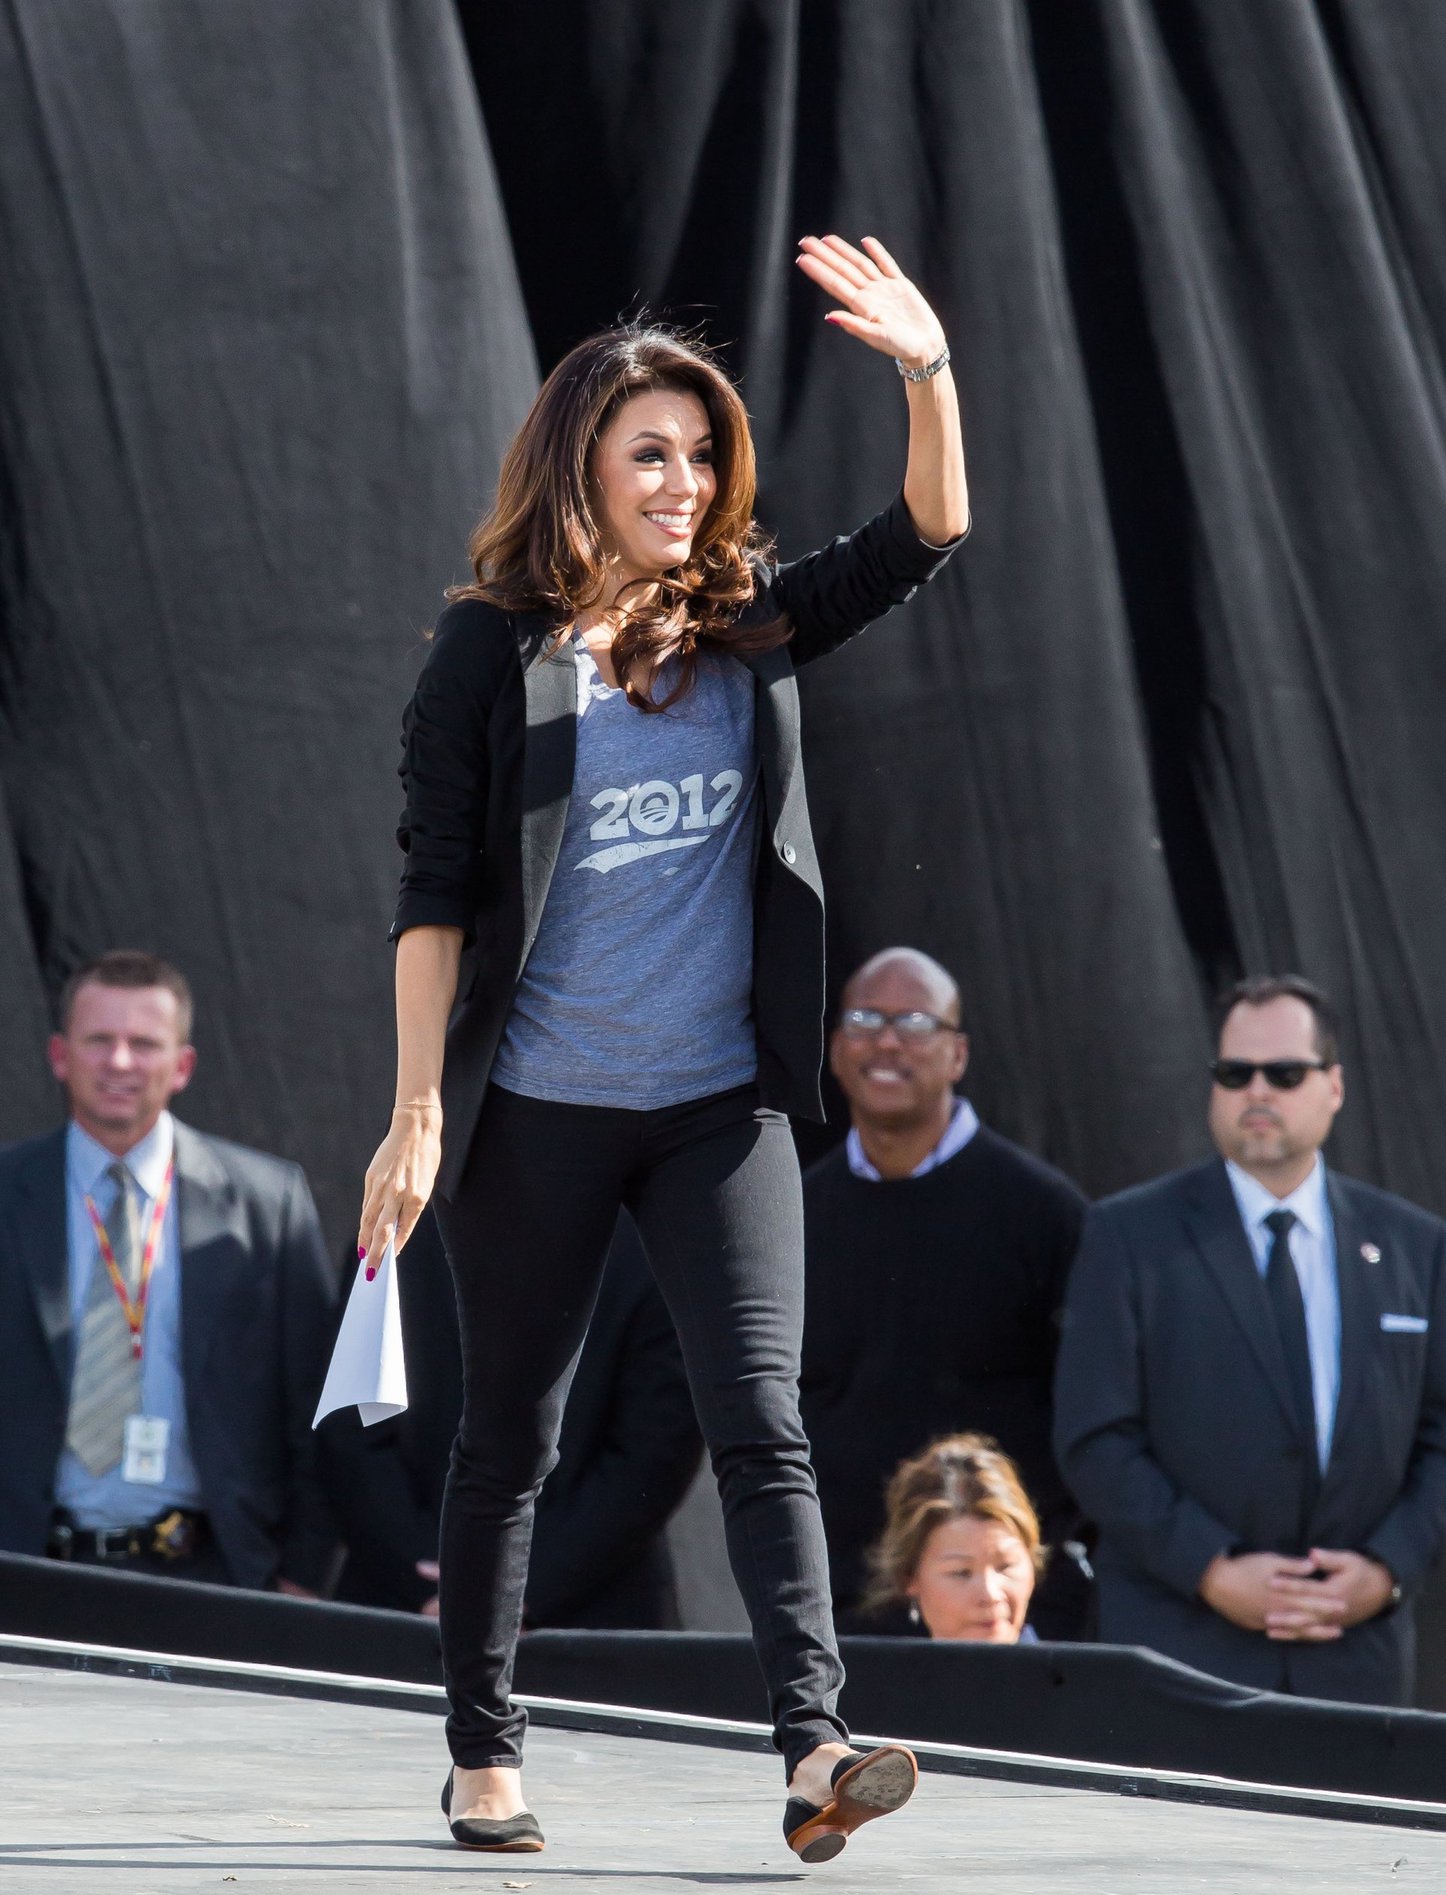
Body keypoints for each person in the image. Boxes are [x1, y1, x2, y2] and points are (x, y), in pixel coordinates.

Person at [358, 232, 969, 1860]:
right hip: (543, 1107)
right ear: (580, 466)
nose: (686, 480)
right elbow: (431, 894)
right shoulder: (491, 653)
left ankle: (812, 1751)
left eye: (703, 455)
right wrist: (418, 1113)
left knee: (758, 1419)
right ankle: (485, 1753)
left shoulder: (750, 627)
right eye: (652, 454)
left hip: (715, 1104)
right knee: (510, 1442)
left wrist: (928, 372)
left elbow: (927, 532)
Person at [1054, 975, 1446, 1704]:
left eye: (1284, 1073)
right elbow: (1094, 1436)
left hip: (1355, 1665)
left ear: (1333, 1085)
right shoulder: (1128, 1235)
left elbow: (1441, 1433)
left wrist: (1388, 1568)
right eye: (1235, 1073)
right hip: (1180, 1654)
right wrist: (1210, 1568)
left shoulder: (1415, 1247)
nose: (1256, 1091)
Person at [0, 951, 337, 1592]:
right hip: (26, 1575)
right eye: (99, 1040)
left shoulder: (268, 1204)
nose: (120, 1062)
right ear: (58, 1056)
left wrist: (303, 1573)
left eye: (143, 1043)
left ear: (181, 1065)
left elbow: (316, 1404)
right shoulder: (7, 1192)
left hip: (215, 1579)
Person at [801, 948, 1091, 1639]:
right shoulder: (792, 1215)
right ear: (837, 1050)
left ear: (958, 1054)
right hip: (843, 1618)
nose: (888, 1040)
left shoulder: (1044, 1214)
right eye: (866, 1018)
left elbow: (1091, 1414)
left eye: (916, 1021)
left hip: (999, 1619)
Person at [321, 1208, 703, 1626]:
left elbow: (657, 1451)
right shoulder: (400, 1222)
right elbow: (350, 1422)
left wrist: (518, 1583)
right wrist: (432, 1572)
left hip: (588, 1624)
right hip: (399, 1615)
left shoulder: (650, 1241)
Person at [856, 1434, 1043, 1643]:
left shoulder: (1077, 1675)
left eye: (1005, 1566)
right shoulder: (874, 1675)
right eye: (961, 1572)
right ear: (910, 1576)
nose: (990, 1594)